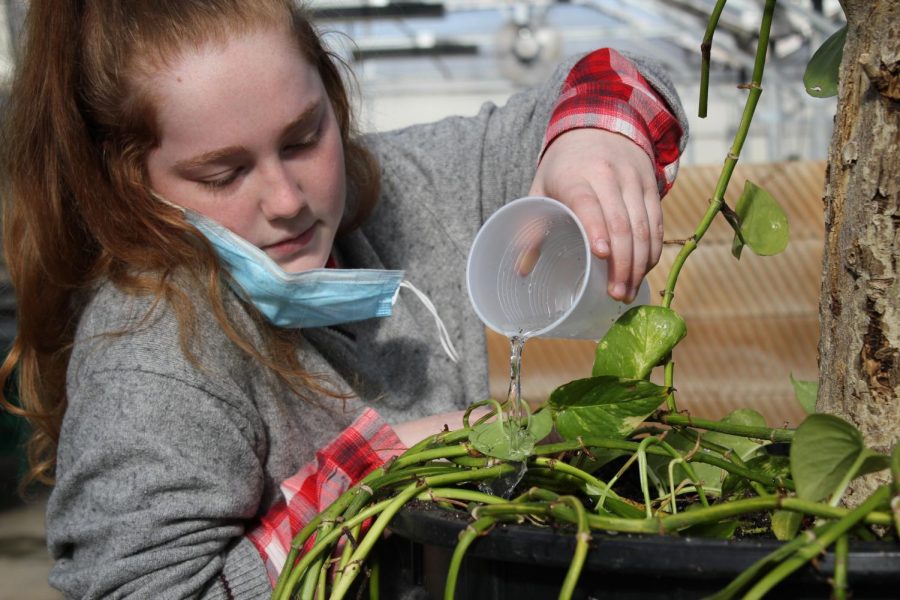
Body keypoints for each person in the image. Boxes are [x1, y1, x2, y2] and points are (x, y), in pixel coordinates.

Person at [0, 0, 687, 597]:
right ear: (128, 184)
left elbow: (625, 72)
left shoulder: (401, 193)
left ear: (333, 95)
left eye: (305, 138)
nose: (287, 200)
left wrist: (593, 140)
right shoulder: (151, 351)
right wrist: (387, 471)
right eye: (225, 172)